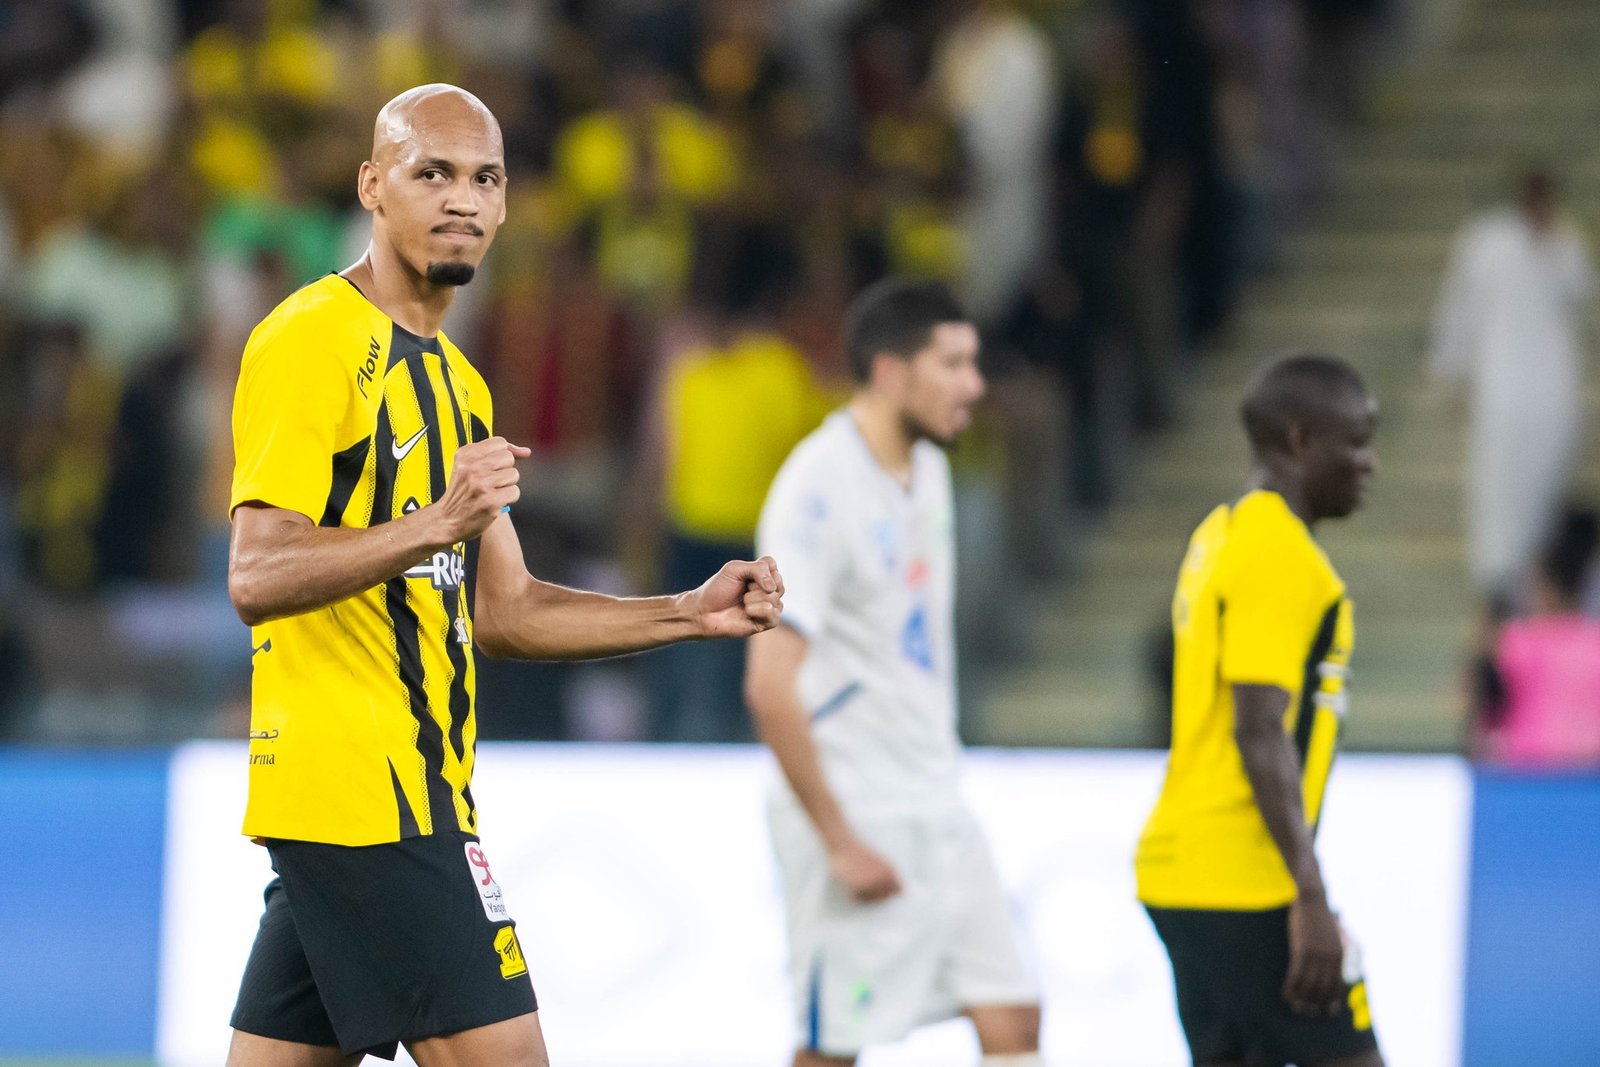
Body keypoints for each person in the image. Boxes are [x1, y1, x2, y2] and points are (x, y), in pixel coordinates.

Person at [223, 84, 784, 1067]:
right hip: (368, 794)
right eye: (431, 173)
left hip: (406, 790)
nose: (462, 199)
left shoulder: (458, 382)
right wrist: (436, 522)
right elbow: (257, 571)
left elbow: (507, 610)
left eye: (485, 178)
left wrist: (686, 612)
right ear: (372, 186)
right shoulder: (311, 338)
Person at [746, 279, 1042, 1067]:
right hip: (856, 804)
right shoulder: (815, 489)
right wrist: (838, 839)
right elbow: (769, 687)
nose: (973, 385)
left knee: (1014, 1019)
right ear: (888, 370)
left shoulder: (929, 469)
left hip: (936, 798)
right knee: (834, 1048)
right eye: (952, 363)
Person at [1135, 354, 1383, 1067]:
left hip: (1183, 869)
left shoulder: (1222, 531)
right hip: (1243, 880)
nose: (1369, 464)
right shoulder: (1280, 552)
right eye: (1356, 442)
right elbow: (1258, 726)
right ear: (1300, 441)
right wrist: (1309, 894)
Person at [1430, 166, 1596, 601]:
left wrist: (1550, 242)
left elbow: (1583, 296)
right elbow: (1459, 309)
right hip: (1501, 390)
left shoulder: (1565, 243)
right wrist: (1452, 371)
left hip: (1552, 392)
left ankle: (1546, 585)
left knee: (1548, 489)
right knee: (1498, 491)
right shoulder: (1485, 240)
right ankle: (1497, 590)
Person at [1473, 510, 1600, 768]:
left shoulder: (1516, 641)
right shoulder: (1594, 641)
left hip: (1530, 766)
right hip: (1588, 767)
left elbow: (1479, 697)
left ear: (1549, 588)